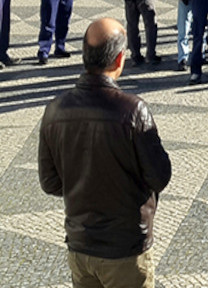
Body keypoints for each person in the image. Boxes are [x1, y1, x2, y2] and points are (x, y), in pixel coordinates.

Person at [39, 18, 171, 288]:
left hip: (80, 244)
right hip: (125, 248)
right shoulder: (133, 111)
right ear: (120, 58)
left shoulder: (55, 109)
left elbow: (50, 183)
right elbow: (160, 177)